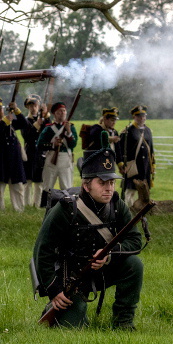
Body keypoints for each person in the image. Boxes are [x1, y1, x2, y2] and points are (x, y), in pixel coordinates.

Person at [33, 135, 143, 329]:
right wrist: (54, 290)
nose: (109, 189)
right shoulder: (66, 209)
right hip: (72, 277)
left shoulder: (118, 205)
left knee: (134, 264)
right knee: (71, 325)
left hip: (102, 272)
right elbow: (43, 250)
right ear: (86, 185)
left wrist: (108, 254)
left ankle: (123, 322)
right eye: (102, 183)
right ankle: (57, 308)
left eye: (112, 183)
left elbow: (135, 241)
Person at [0, 102, 30, 212]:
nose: (0, 111)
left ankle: (19, 209)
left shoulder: (11, 123)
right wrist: (5, 121)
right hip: (0, 160)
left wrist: (16, 110)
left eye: (1, 109)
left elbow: (25, 124)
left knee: (18, 187)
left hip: (14, 159)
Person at [116, 105, 154, 207]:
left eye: (143, 116)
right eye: (139, 116)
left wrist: (152, 165)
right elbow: (119, 149)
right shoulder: (127, 131)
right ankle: (129, 210)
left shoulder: (148, 130)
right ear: (134, 117)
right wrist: (121, 164)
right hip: (132, 166)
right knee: (130, 192)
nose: (141, 118)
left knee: (145, 191)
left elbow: (151, 149)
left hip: (145, 166)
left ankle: (142, 210)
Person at [37, 102, 78, 194]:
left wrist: (68, 132)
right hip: (51, 157)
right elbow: (40, 144)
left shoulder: (71, 127)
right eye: (59, 111)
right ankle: (45, 206)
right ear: (54, 114)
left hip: (65, 158)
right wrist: (52, 145)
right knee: (48, 185)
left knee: (67, 186)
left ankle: (67, 206)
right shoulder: (48, 128)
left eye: (64, 111)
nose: (62, 113)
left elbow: (73, 144)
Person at [21, 95, 48, 207]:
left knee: (39, 181)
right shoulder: (25, 121)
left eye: (35, 105)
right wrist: (37, 124)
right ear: (28, 107)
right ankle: (26, 203)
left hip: (41, 153)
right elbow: (27, 136)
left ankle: (37, 203)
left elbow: (49, 132)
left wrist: (45, 116)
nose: (33, 107)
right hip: (29, 152)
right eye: (31, 105)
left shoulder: (44, 120)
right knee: (27, 181)